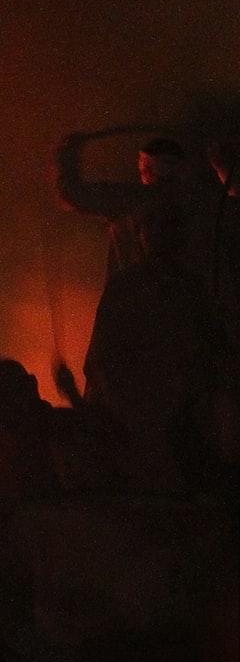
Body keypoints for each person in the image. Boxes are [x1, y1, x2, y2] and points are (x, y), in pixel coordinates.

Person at [81, 199, 226, 492]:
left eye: (169, 228)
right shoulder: (126, 289)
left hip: (181, 425)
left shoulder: (191, 291)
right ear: (142, 236)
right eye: (154, 229)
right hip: (133, 426)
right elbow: (102, 361)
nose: (161, 236)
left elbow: (214, 355)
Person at [58, 131, 204, 281]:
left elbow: (73, 194)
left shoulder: (132, 200)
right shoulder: (198, 207)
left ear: (146, 169)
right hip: (182, 299)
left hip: (131, 298)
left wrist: (66, 152)